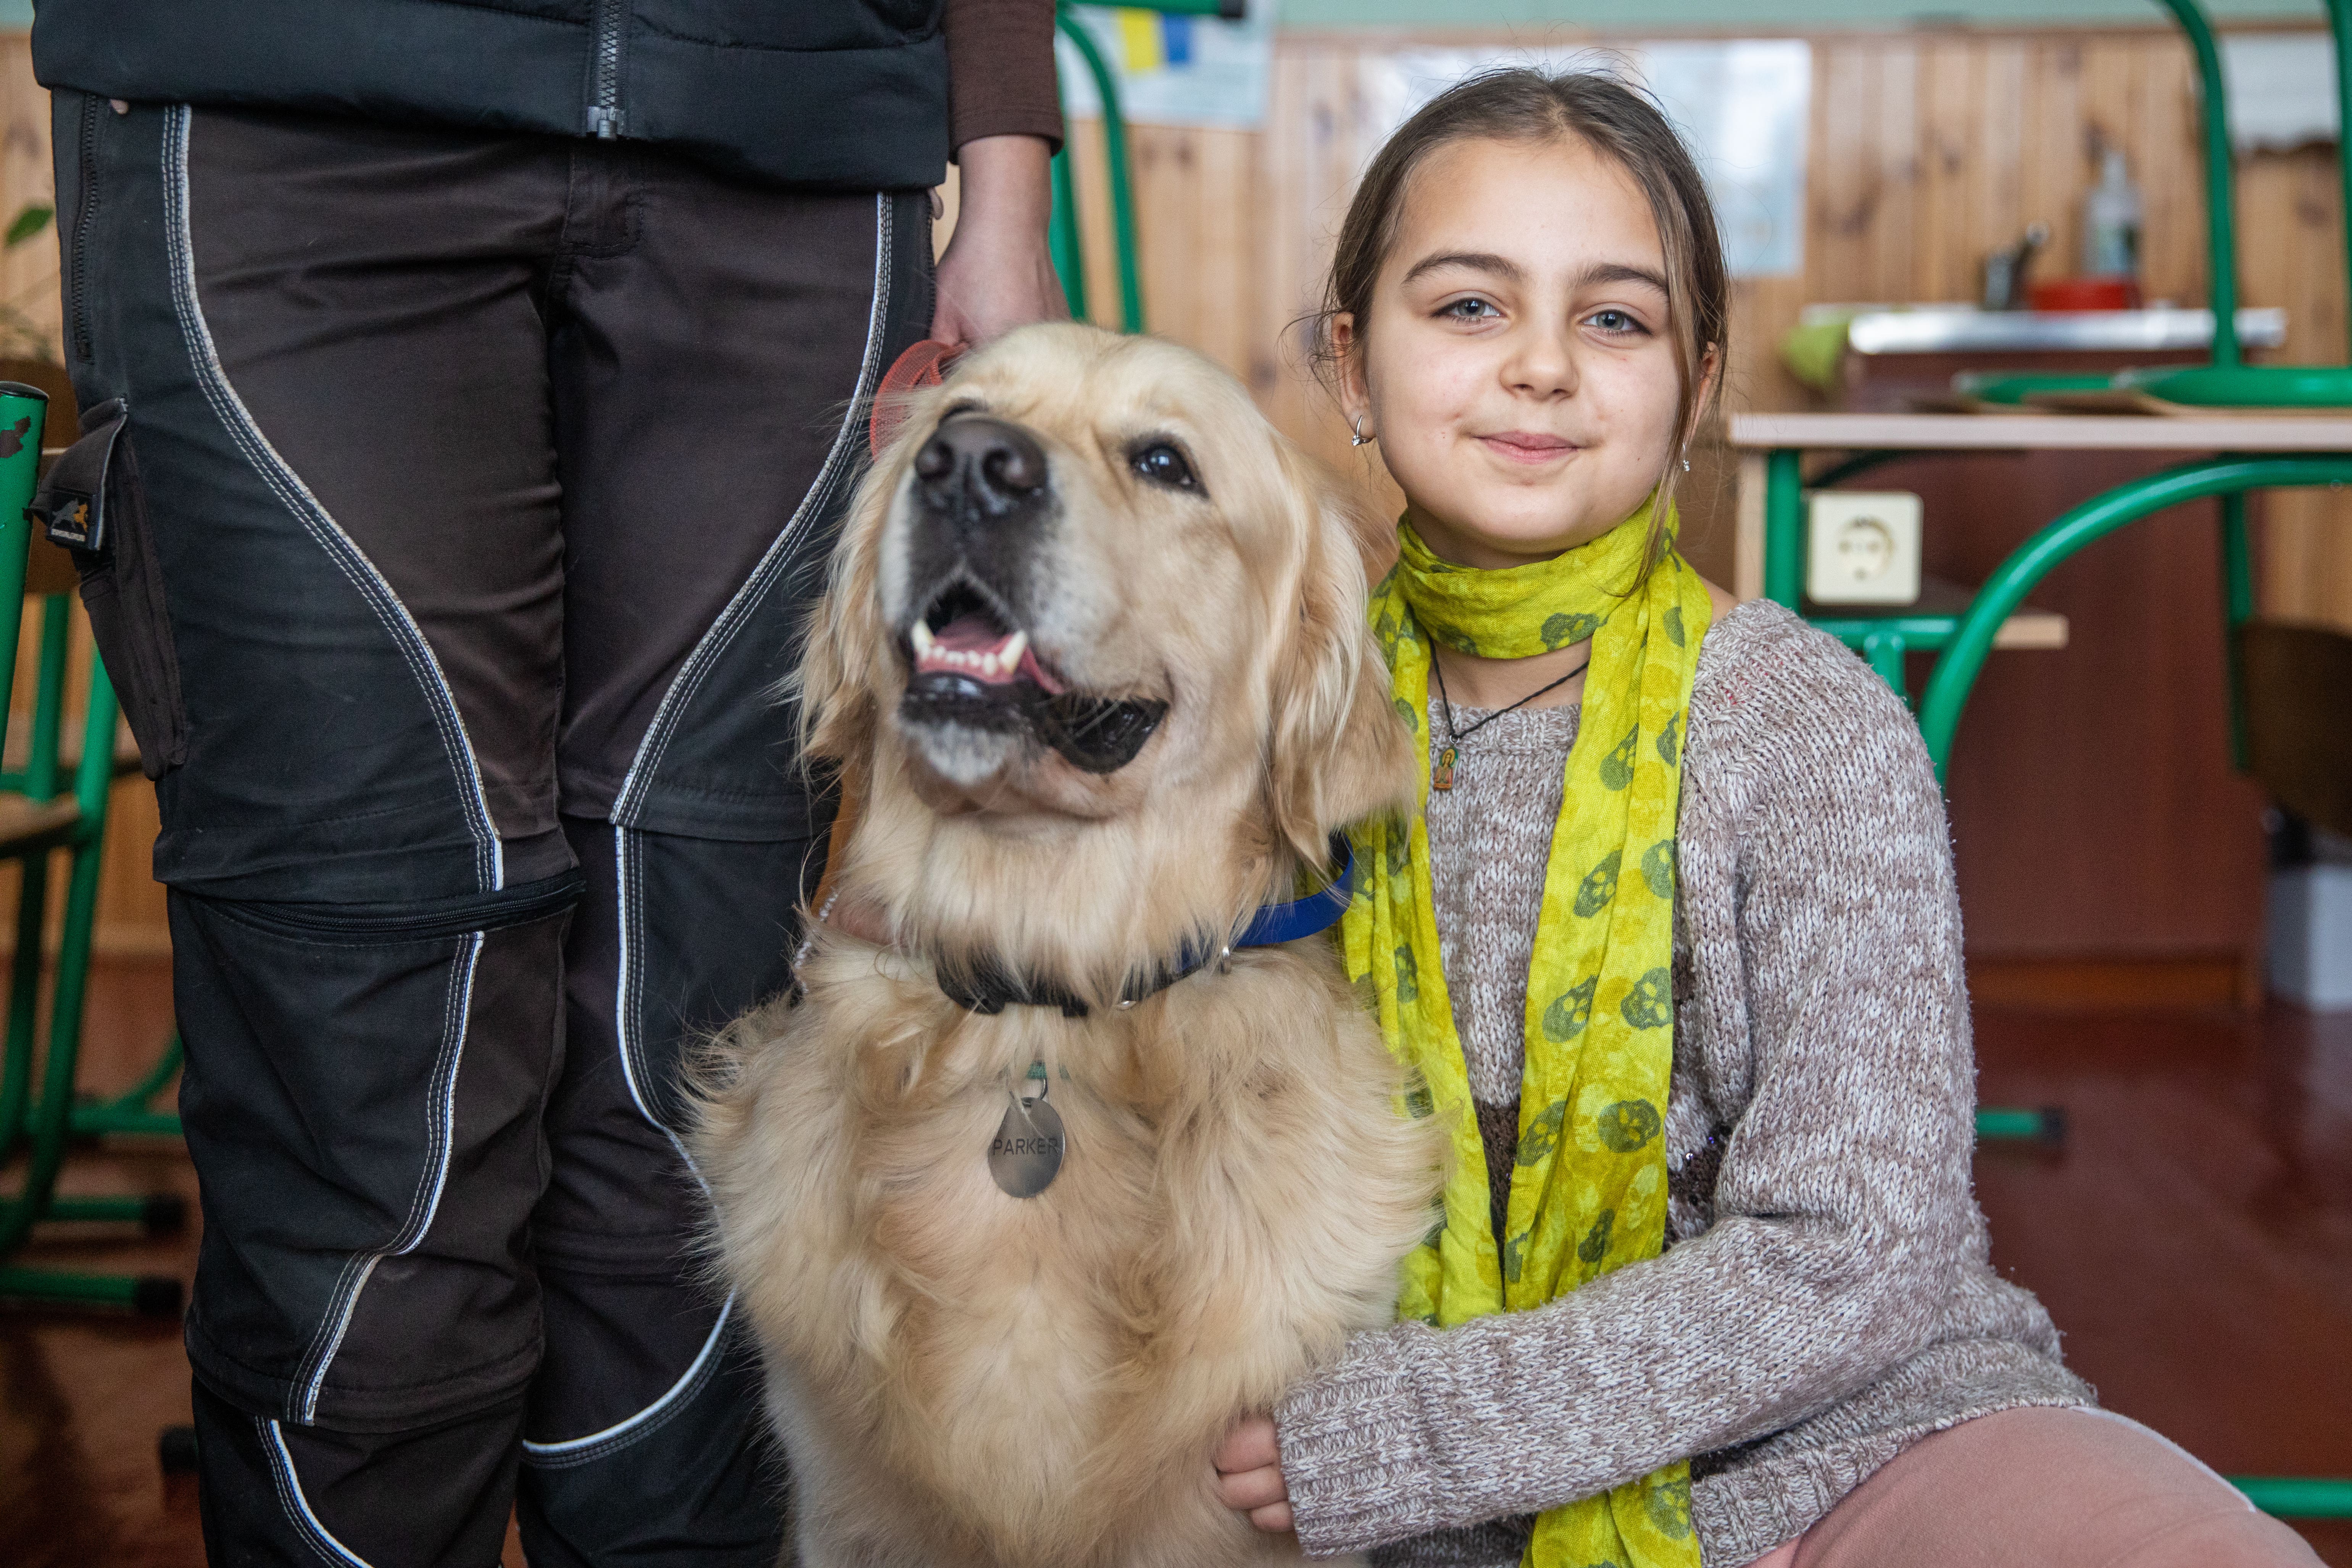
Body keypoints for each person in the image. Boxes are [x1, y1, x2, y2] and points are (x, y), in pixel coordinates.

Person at [1210, 69, 2322, 1568]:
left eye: (1613, 318)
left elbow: (1854, 1258)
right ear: (1350, 360)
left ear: (1697, 386)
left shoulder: (1796, 725)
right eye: (1466, 306)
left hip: (1847, 1445)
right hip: (1377, 1494)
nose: (1540, 366)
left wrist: (1413, 1434)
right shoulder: (1263, 720)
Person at [27, 3, 1064, 1563]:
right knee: (373, 1080)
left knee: (684, 1079)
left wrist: (1005, 180)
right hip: (284, 113)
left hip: (786, 135)